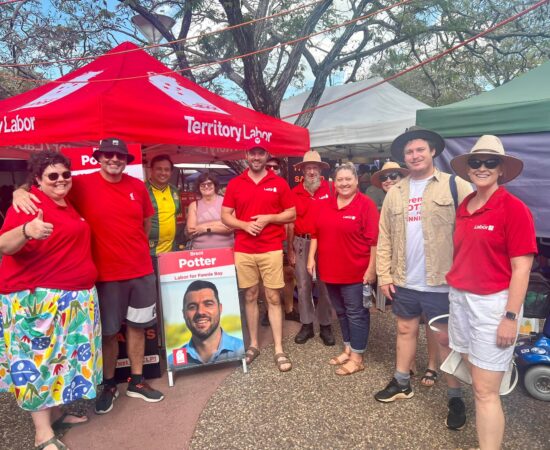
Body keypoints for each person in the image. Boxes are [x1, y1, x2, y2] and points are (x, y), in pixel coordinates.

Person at [13, 138, 165, 416]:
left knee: (138, 327)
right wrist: (18, 193)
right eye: (108, 155)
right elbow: (46, 188)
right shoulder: (79, 184)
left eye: (119, 156)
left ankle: (137, 381)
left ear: (126, 160)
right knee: (107, 333)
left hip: (141, 270)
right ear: (99, 158)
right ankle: (109, 384)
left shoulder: (137, 187)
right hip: (106, 275)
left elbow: (145, 222)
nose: (114, 160)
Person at [0, 151, 102, 450]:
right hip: (39, 300)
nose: (60, 180)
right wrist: (26, 230)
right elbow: (4, 244)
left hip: (72, 298)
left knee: (63, 362)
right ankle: (42, 432)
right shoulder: (28, 203)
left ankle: (56, 411)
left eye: (65, 174)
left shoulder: (66, 202)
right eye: (52, 176)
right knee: (38, 363)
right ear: (38, 180)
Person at [374, 127, 473, 431]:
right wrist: (384, 274)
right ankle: (402, 381)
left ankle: (455, 396)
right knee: (404, 330)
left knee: (444, 339)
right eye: (409, 152)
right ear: (403, 158)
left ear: (432, 152)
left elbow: (474, 231)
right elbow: (385, 236)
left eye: (420, 150)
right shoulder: (396, 192)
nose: (415, 155)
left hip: (442, 281)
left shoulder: (456, 186)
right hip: (405, 278)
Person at [446, 135, 536, 449]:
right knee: (477, 381)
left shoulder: (514, 208)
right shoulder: (465, 205)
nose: (482, 167)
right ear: (468, 168)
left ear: (501, 170)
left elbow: (522, 269)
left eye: (490, 162)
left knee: (486, 392)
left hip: (493, 305)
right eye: (476, 161)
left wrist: (510, 317)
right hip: (461, 299)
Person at [221, 146, 296, 372]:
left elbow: (291, 213)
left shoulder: (279, 183)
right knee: (251, 295)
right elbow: (225, 215)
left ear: (266, 157)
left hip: (271, 248)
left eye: (261, 153)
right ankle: (253, 344)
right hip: (243, 249)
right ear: (246, 156)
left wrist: (268, 218)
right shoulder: (236, 183)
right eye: (252, 153)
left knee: (273, 297)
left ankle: (279, 348)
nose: (256, 157)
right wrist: (244, 224)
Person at [371, 162, 440, 387]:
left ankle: (432, 366)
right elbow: (384, 241)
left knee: (432, 323)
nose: (389, 181)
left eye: (394, 175)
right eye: (385, 178)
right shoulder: (388, 203)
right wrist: (384, 274)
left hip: (431, 273)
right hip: (402, 273)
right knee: (405, 324)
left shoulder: (425, 194)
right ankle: (407, 364)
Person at [307, 162, 379, 375]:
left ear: (357, 181)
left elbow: (374, 241)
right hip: (329, 271)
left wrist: (372, 269)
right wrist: (311, 258)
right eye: (340, 180)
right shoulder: (326, 204)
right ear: (333, 183)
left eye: (349, 179)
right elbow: (316, 234)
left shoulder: (365, 205)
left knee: (356, 313)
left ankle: (358, 357)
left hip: (356, 271)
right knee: (340, 312)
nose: (344, 183)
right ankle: (348, 348)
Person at [288, 150, 335, 346]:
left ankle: (325, 325)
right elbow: (290, 222)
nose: (312, 171)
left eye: (315, 167)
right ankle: (306, 324)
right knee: (303, 285)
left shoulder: (331, 190)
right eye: (308, 168)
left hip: (325, 242)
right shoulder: (294, 192)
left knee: (325, 285)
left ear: (320, 170)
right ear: (303, 171)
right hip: (301, 242)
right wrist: (290, 249)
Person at [168, 280, 244, 366]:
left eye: (208, 304)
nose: (200, 312)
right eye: (192, 307)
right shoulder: (172, 362)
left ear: (220, 308)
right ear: (184, 314)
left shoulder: (240, 348)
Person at [263, 157, 300, 325]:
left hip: (283, 239)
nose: (272, 170)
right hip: (264, 240)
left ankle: (289, 309)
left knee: (288, 274)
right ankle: (268, 310)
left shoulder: (285, 188)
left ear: (280, 169)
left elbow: (291, 221)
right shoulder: (258, 188)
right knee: (265, 278)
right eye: (268, 166)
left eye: (275, 167)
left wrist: (291, 249)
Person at [146, 154, 183, 264]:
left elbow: (177, 216)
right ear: (151, 170)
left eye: (167, 170)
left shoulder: (174, 191)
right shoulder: (142, 190)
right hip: (149, 253)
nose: (163, 173)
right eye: (159, 169)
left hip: (171, 251)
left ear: (171, 172)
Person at [186, 172, 234, 250]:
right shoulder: (194, 205)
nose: (206, 186)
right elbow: (191, 230)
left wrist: (205, 228)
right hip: (200, 253)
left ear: (215, 185)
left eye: (209, 184)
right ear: (198, 187)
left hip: (227, 251)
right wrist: (221, 223)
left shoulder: (226, 201)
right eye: (202, 184)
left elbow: (231, 227)